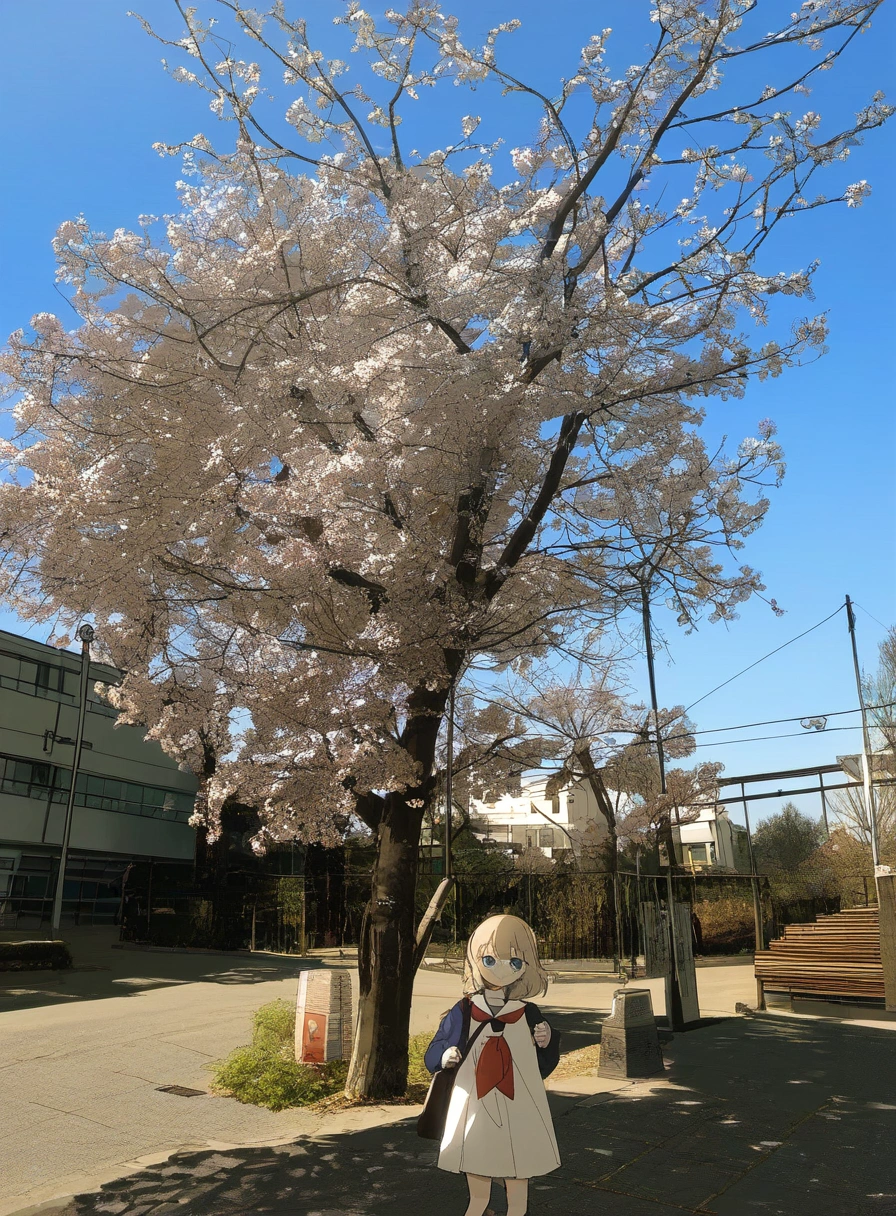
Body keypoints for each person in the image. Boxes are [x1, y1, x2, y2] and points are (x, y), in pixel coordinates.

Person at [424, 914, 561, 1216]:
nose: (501, 969)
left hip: (520, 1106)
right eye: (489, 960)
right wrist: (444, 1056)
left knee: (518, 1176)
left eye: (514, 962)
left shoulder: (529, 1013)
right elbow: (434, 1050)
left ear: (526, 966)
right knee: (477, 1182)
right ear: (475, 960)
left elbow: (545, 1063)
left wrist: (547, 1039)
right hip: (474, 1105)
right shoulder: (464, 1010)